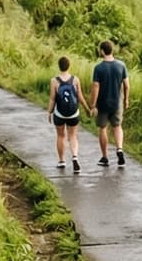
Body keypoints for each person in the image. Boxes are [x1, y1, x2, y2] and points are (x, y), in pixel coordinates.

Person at [89, 39, 129, 169]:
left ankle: (105, 157)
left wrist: (93, 105)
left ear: (102, 51)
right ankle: (120, 149)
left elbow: (96, 87)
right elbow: (127, 85)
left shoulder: (98, 68)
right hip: (117, 102)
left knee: (103, 128)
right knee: (117, 126)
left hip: (103, 103)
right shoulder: (121, 65)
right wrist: (126, 99)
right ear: (112, 50)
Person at [47, 55, 87, 171]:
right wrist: (87, 108)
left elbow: (52, 99)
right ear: (69, 66)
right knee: (73, 136)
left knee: (60, 136)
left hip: (59, 113)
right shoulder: (75, 80)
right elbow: (80, 96)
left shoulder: (54, 81)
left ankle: (61, 161)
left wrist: (49, 112)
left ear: (59, 66)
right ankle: (74, 157)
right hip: (73, 113)